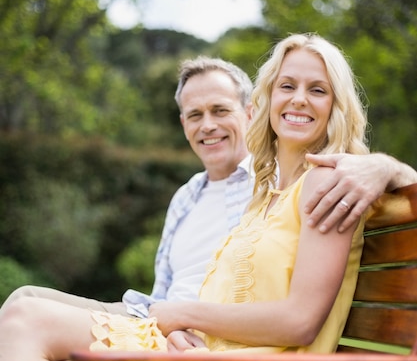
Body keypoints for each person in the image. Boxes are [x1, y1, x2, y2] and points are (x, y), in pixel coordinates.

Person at [0, 33, 402, 361]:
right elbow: (236, 295)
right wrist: (186, 329)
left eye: (318, 89)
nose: (300, 100)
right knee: (20, 351)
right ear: (267, 98)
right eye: (287, 85)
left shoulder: (326, 184)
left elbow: (299, 322)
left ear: (335, 104)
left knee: (25, 327)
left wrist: (389, 167)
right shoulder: (267, 195)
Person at [2, 55, 416, 317]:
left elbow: (281, 301)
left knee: (29, 331)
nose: (208, 125)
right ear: (183, 124)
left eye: (220, 110)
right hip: (156, 318)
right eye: (194, 114)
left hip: (200, 340)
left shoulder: (275, 182)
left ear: (252, 110)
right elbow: (161, 293)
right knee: (24, 299)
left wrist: (386, 166)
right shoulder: (186, 196)